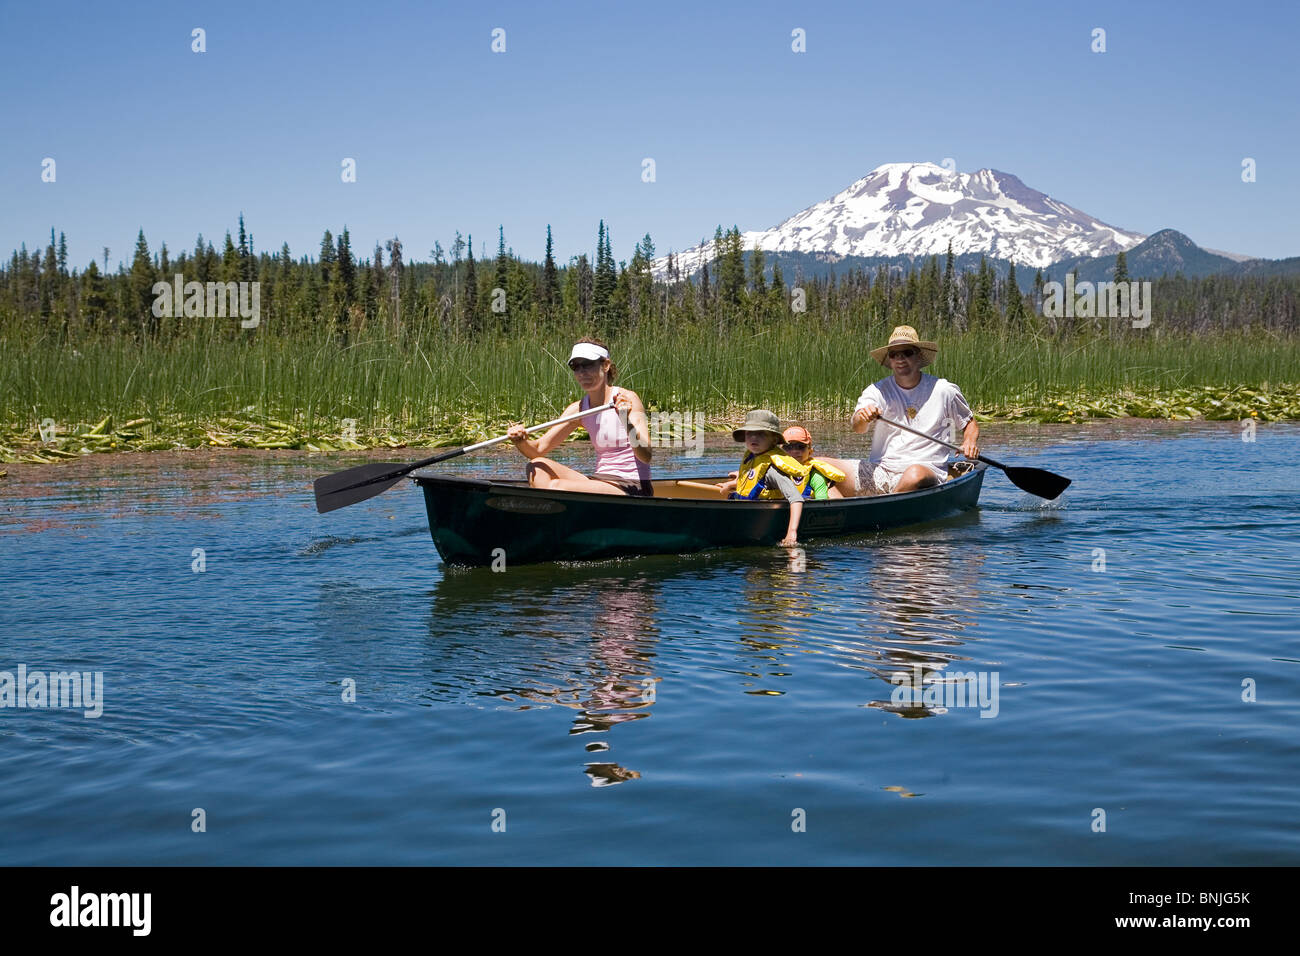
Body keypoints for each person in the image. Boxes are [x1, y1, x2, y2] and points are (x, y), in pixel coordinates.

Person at [506, 338, 653, 496]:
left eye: (588, 364)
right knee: (536, 465)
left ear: (606, 365)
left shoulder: (627, 398)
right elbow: (538, 449)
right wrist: (520, 441)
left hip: (631, 485)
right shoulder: (578, 409)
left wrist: (625, 420)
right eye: (576, 366)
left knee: (557, 487)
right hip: (600, 481)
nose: (582, 372)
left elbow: (646, 456)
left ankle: (552, 507)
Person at [846, 325, 979, 495]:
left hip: (925, 471)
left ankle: (882, 508)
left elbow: (969, 423)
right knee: (820, 465)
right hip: (881, 470)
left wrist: (969, 441)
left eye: (907, 352)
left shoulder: (944, 390)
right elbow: (858, 428)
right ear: (890, 359)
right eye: (894, 354)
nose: (900, 358)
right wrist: (863, 417)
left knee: (914, 473)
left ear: (918, 356)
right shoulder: (876, 391)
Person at [714, 410, 809, 548]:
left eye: (761, 433)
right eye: (749, 433)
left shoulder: (772, 470)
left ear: (774, 440)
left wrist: (791, 533)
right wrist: (730, 486)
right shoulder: (752, 458)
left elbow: (796, 499)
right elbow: (752, 485)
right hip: (746, 516)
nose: (754, 438)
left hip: (762, 520)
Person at [780, 426, 848, 499]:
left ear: (810, 451)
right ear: (780, 452)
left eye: (800, 446)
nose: (794, 451)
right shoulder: (774, 471)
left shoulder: (816, 476)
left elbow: (822, 502)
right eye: (788, 447)